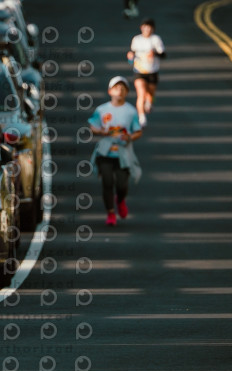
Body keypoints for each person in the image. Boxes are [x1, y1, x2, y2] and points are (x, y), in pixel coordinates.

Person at [88, 76, 143, 227]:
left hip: (123, 154)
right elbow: (92, 125)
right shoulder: (102, 110)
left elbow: (138, 131)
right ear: (110, 91)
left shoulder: (131, 111)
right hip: (105, 153)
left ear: (127, 92)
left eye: (123, 89)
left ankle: (120, 199)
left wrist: (129, 137)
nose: (120, 91)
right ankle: (111, 213)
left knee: (121, 185)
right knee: (107, 182)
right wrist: (101, 131)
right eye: (117, 88)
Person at [126, 18, 166, 127]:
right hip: (139, 71)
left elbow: (163, 54)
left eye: (149, 27)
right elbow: (132, 55)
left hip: (152, 71)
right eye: (145, 27)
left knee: (150, 94)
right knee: (141, 94)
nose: (147, 29)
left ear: (153, 29)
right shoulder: (136, 39)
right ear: (141, 28)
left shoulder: (156, 39)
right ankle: (142, 117)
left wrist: (154, 54)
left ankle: (150, 102)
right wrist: (130, 57)